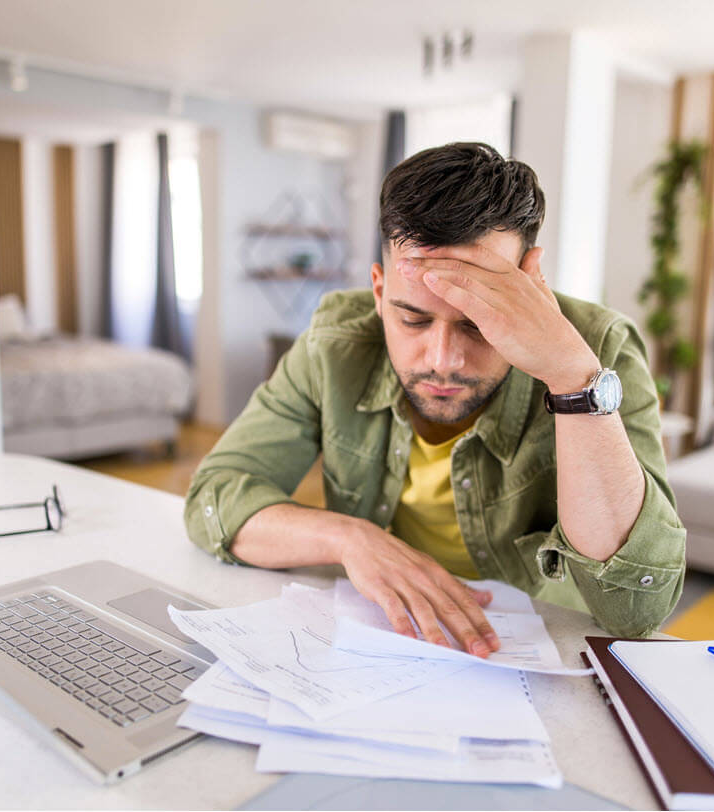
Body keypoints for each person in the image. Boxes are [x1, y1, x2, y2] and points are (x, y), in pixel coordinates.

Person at [184, 142, 685, 656]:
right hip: (379, 638)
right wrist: (349, 538)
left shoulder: (600, 352)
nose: (443, 359)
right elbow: (214, 498)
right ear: (379, 292)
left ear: (532, 279)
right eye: (413, 319)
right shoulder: (334, 343)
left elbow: (636, 609)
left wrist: (571, 378)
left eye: (478, 322)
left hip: (537, 655)